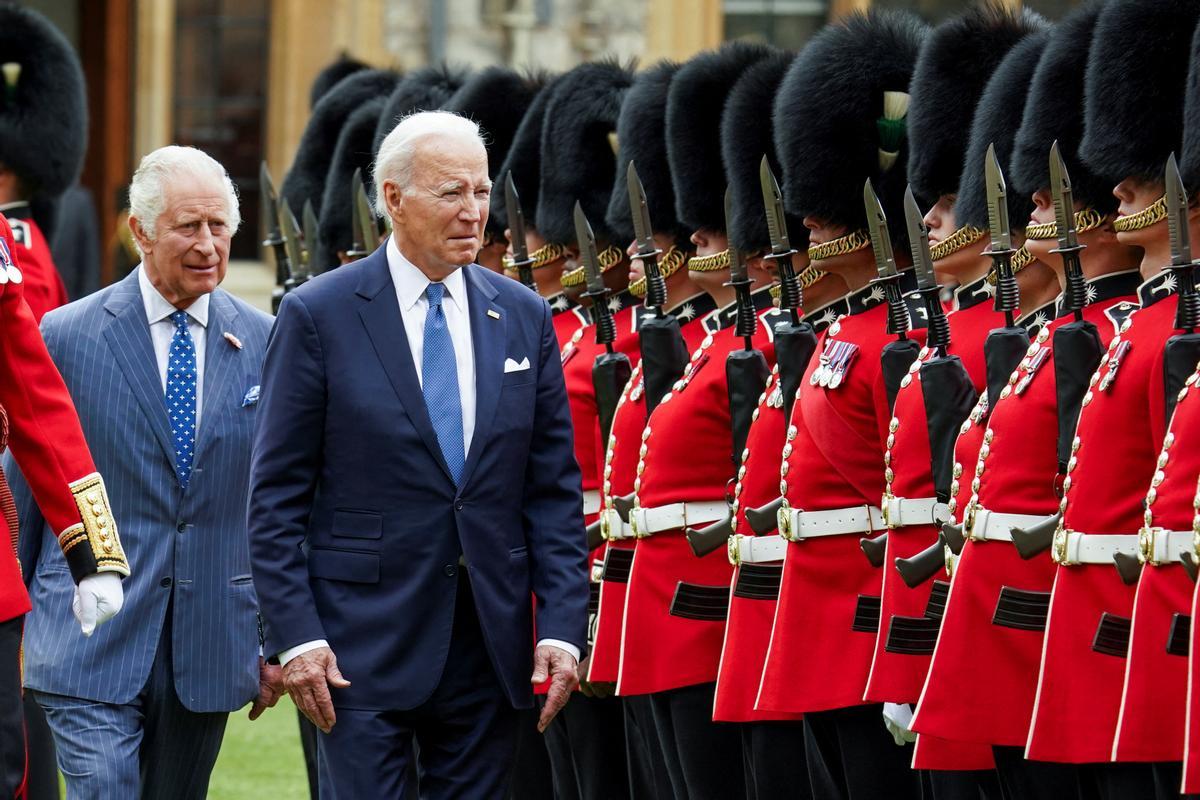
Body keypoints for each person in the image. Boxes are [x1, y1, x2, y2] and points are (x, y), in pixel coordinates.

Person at [249, 110, 588, 799]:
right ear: (394, 199)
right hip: (354, 648)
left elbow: (551, 489)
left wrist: (560, 627)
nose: (474, 214)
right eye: (451, 194)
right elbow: (275, 498)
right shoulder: (319, 315)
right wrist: (296, 638)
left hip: (489, 645)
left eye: (482, 192)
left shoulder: (521, 313)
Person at [15, 145, 278, 799]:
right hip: (87, 634)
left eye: (219, 227)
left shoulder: (269, 341)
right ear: (140, 231)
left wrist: (276, 639)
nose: (208, 244)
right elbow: (25, 488)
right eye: (189, 227)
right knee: (105, 788)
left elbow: (278, 504)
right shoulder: (68, 334)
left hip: (211, 639)